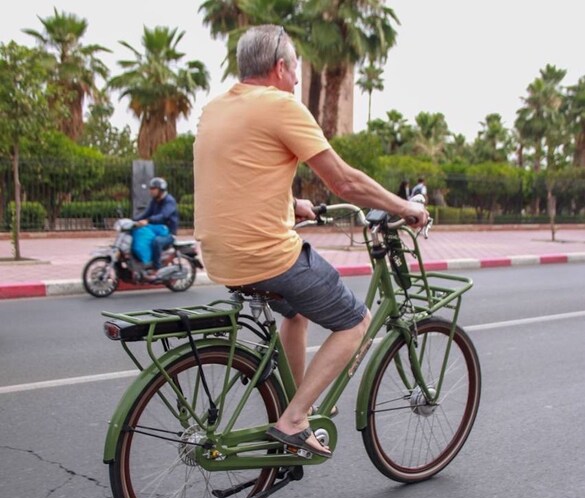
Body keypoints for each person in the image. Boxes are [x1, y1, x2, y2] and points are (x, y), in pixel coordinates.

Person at [193, 25, 428, 458]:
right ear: (280, 67)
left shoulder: (216, 108)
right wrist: (403, 208)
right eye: (296, 68)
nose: (299, 78)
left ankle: (292, 403)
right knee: (355, 322)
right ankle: (295, 419)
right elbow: (343, 180)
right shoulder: (281, 106)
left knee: (296, 313)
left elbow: (241, 172)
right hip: (266, 256)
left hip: (218, 254)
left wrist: (291, 201)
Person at [133, 177, 179, 277]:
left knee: (156, 241)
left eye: (154, 189)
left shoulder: (169, 201)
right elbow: (146, 213)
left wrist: (148, 221)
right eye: (151, 188)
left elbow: (163, 215)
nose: (151, 191)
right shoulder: (154, 201)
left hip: (169, 234)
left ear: (161, 190)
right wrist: (133, 221)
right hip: (156, 230)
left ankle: (156, 268)